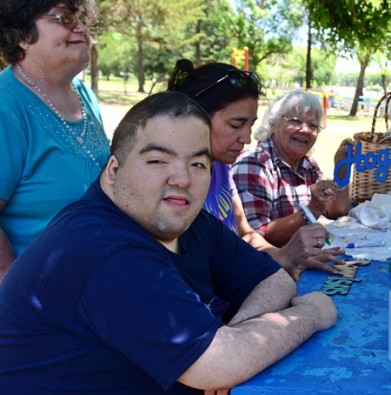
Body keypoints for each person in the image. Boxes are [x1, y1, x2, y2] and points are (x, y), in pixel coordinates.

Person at [0, 92, 337, 393]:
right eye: (158, 160)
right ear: (114, 170)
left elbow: (272, 279)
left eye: (198, 164)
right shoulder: (103, 247)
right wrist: (310, 314)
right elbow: (216, 365)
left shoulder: (183, 219)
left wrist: (236, 336)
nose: (182, 179)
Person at [166, 59, 343, 280]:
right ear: (195, 118)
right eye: (235, 125)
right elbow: (203, 273)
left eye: (250, 125)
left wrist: (283, 257)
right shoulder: (174, 183)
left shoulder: (220, 168)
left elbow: (247, 234)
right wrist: (283, 258)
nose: (247, 137)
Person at [0, 0, 110, 279]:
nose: (82, 28)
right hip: (39, 303)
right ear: (22, 36)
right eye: (65, 18)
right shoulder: (6, 105)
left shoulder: (84, 95)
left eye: (84, 19)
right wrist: (12, 289)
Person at [233, 91, 351, 247]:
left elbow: (335, 211)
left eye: (313, 125)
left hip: (303, 258)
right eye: (295, 121)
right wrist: (312, 210)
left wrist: (343, 169)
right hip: (272, 266)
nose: (305, 130)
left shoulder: (308, 165)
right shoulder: (254, 164)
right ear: (273, 124)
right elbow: (255, 236)